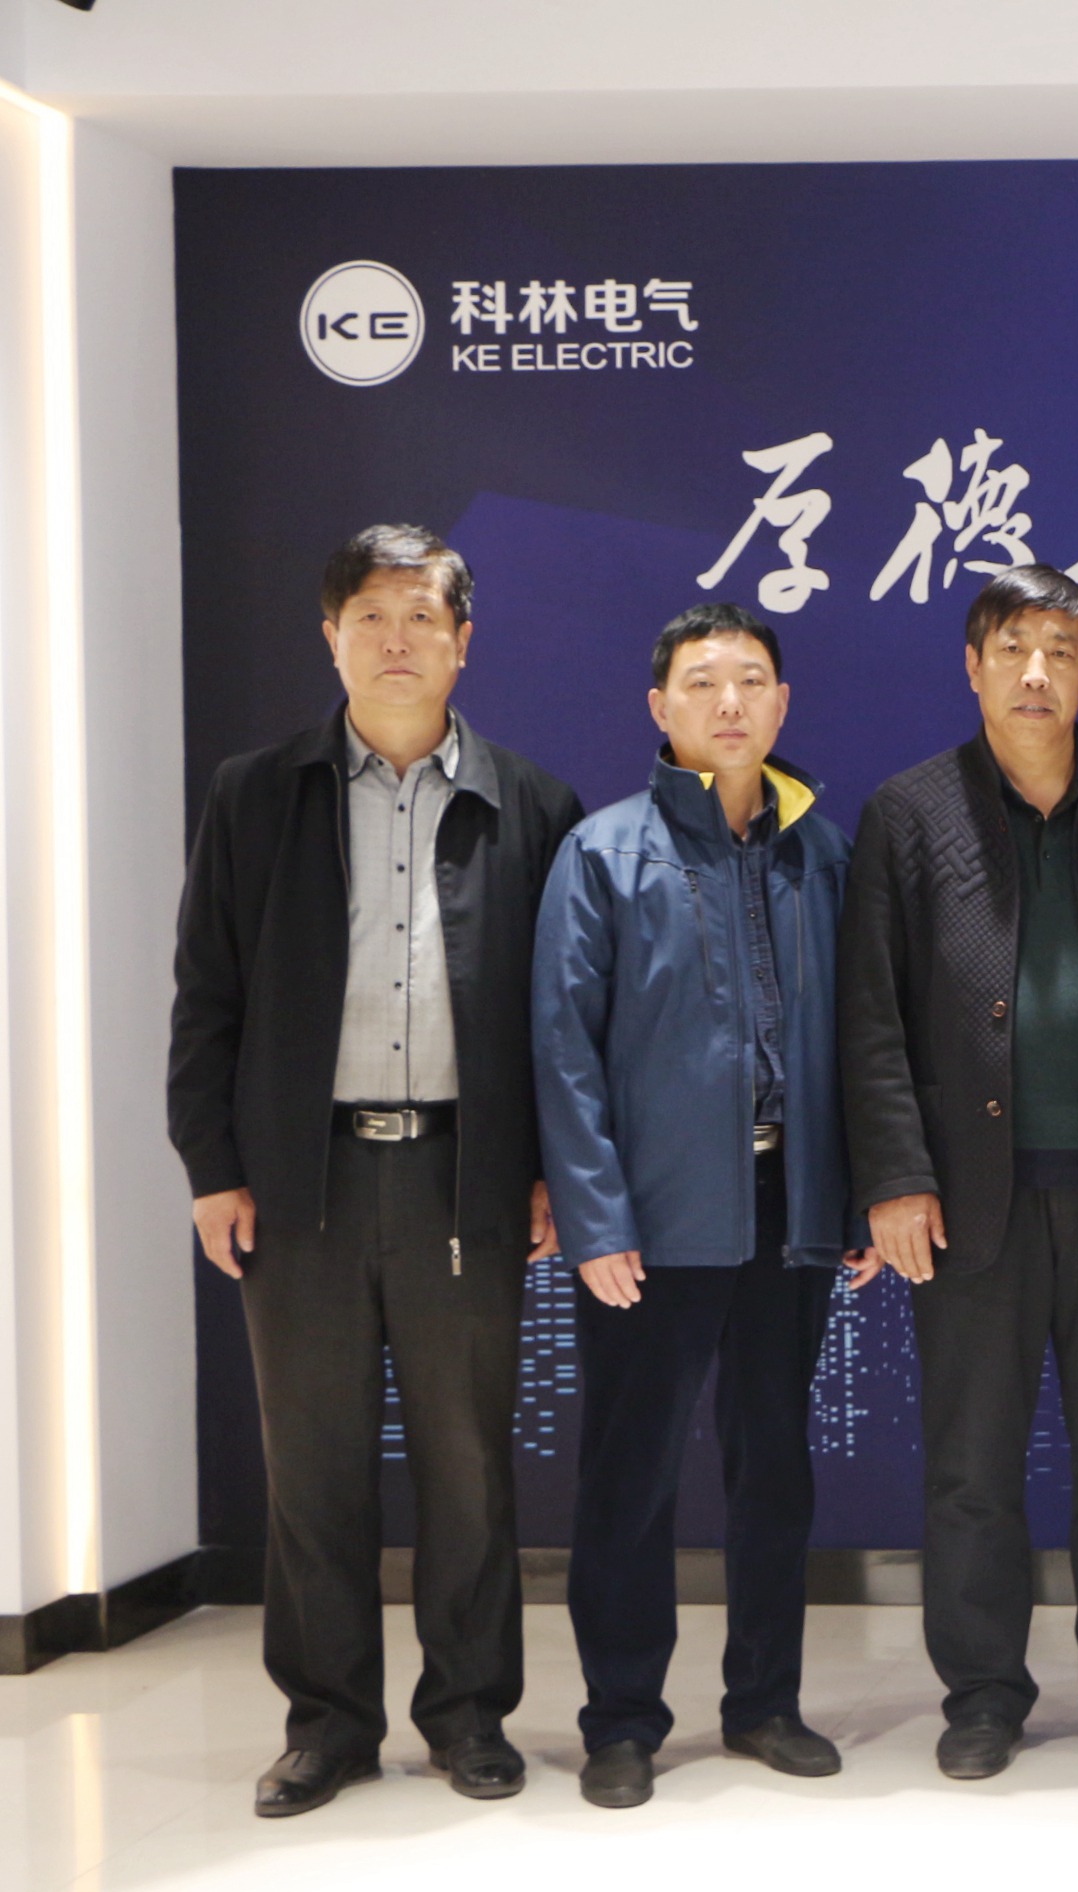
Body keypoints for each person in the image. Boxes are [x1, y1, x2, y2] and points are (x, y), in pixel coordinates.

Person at [169, 525, 580, 1817]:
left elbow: (564, 1021)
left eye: (421, 618)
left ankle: (469, 1714)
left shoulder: (532, 804)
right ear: (330, 636)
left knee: (470, 1466)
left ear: (463, 642)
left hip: (468, 1177)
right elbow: (206, 994)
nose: (396, 640)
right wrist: (212, 1165)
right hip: (303, 1182)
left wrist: (550, 1173)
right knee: (312, 1468)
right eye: (371, 617)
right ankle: (328, 1723)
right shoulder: (256, 794)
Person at [840, 564, 1078, 1780]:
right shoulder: (909, 812)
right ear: (973, 665)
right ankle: (983, 1693)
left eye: (1059, 651)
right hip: (964, 1201)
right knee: (971, 1466)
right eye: (1011, 649)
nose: (1035, 672)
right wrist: (895, 1176)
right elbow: (872, 1014)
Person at [533, 603, 872, 1809]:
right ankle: (622, 1719)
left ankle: (764, 1703)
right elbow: (562, 1049)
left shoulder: (823, 852)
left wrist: (857, 1198)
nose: (729, 701)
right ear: (659, 708)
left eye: (750, 680)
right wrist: (595, 1218)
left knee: (773, 1465)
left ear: (781, 703)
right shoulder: (604, 853)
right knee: (630, 1477)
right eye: (702, 681)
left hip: (791, 1206)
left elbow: (863, 1040)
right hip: (655, 1216)